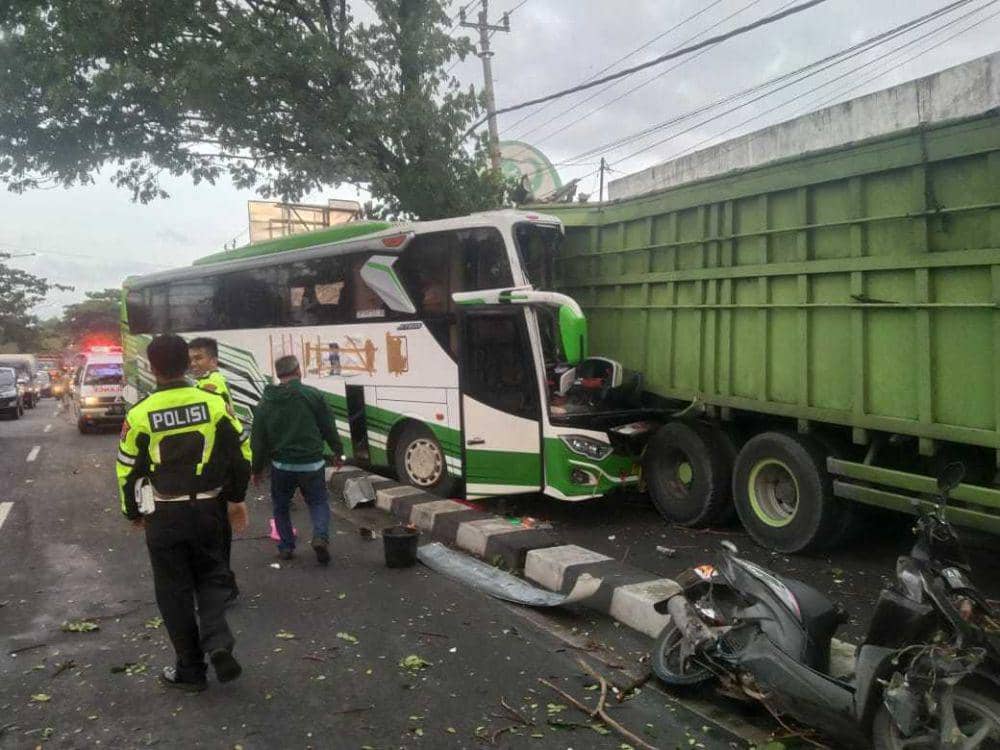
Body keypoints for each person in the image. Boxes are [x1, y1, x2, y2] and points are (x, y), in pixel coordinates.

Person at [116, 334, 251, 692]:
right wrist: (236, 497)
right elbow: (241, 452)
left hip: (164, 515)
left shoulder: (140, 414)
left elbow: (126, 468)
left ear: (153, 367)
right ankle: (218, 640)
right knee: (212, 576)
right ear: (187, 363)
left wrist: (133, 511)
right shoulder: (212, 404)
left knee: (173, 591)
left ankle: (190, 671)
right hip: (209, 509)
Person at [251, 354, 342, 565]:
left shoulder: (265, 402)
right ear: (298, 371)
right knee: (318, 502)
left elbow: (259, 440)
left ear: (278, 374)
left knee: (281, 506)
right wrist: (337, 452)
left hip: (281, 465)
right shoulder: (313, 395)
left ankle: (286, 546)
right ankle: (320, 536)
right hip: (312, 463)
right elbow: (328, 427)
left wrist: (257, 469)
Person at [189, 336, 249, 604]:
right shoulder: (205, 384)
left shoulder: (211, 387)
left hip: (221, 474)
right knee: (216, 535)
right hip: (223, 472)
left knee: (216, 536)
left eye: (199, 358)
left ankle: (223, 587)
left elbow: (224, 436)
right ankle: (223, 584)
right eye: (191, 359)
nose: (194, 363)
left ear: (213, 360)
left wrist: (237, 492)